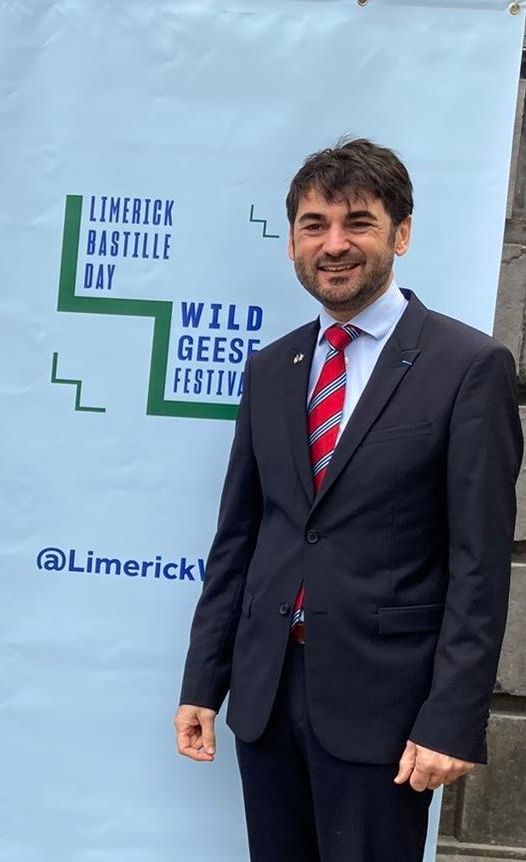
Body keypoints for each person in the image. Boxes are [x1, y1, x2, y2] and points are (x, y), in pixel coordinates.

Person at [176, 138, 521, 861]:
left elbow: (479, 564)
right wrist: (204, 681)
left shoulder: (468, 368)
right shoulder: (271, 368)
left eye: (356, 222)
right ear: (292, 242)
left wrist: (450, 718)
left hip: (385, 711)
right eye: (312, 225)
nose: (333, 244)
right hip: (267, 697)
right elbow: (241, 537)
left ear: (400, 233)